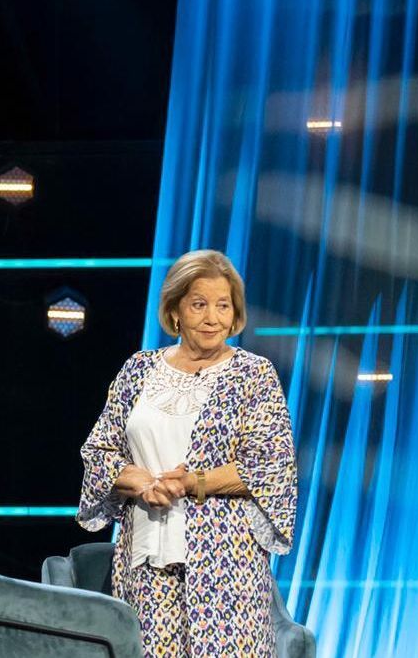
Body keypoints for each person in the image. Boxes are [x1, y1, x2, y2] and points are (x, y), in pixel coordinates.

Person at [78, 249, 297, 656]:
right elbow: (100, 451)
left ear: (235, 314)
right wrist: (142, 482)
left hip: (227, 568)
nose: (212, 318)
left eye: (222, 305)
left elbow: (270, 466)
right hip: (145, 562)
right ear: (175, 311)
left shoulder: (254, 375)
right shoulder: (138, 370)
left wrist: (193, 483)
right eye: (199, 304)